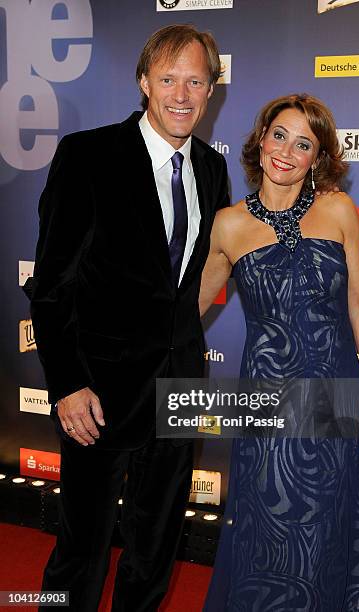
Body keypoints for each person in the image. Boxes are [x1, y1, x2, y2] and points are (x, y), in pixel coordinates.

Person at [30, 24, 229, 612]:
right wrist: (66, 383)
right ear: (145, 82)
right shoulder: (87, 155)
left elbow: (192, 283)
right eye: (168, 78)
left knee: (157, 544)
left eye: (196, 81)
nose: (181, 94)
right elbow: (50, 284)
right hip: (98, 391)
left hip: (180, 386)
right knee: (82, 546)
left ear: (211, 91)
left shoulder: (212, 173)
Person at [199, 94, 359, 611]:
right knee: (268, 530)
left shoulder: (339, 211)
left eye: (303, 143)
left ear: (317, 158)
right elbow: (179, 313)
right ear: (260, 140)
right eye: (278, 135)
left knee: (326, 532)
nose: (286, 150)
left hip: (335, 398)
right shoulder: (227, 225)